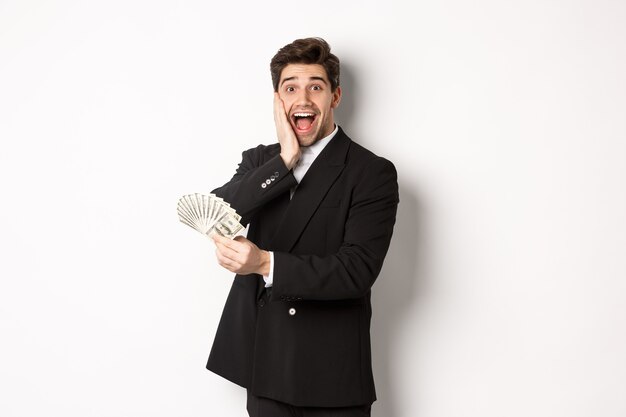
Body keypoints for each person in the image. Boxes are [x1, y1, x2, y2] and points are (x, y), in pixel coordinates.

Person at [207, 37, 399, 417]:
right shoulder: (262, 160)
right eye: (290, 88)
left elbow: (357, 271)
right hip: (267, 363)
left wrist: (264, 263)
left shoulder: (371, 172)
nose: (304, 98)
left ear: (336, 97)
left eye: (316, 86)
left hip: (333, 372)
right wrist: (284, 160)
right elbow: (215, 214)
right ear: (278, 100)